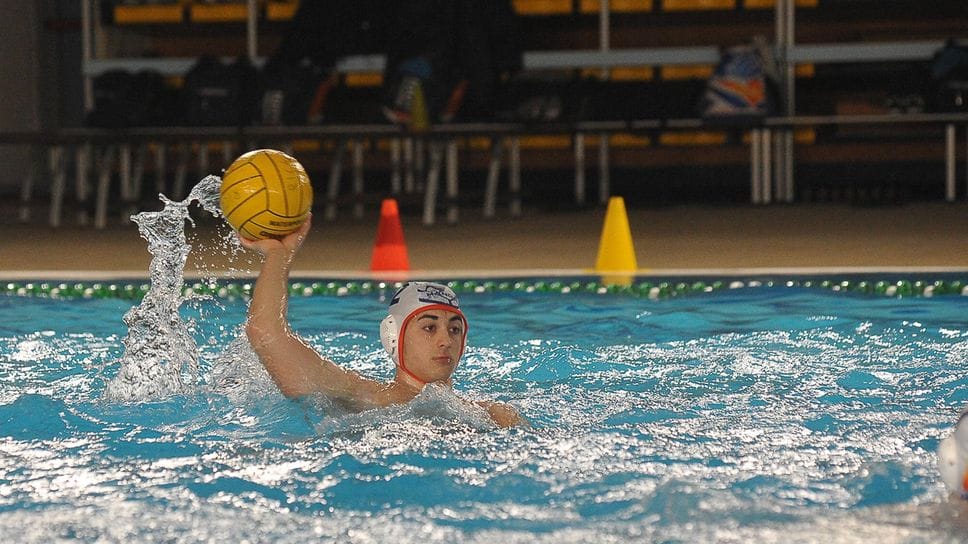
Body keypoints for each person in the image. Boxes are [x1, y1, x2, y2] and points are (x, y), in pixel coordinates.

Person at [239, 215, 525, 428]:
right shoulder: (359, 396)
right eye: (429, 327)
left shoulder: (498, 416)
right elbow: (266, 333)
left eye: (454, 329)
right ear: (394, 337)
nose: (445, 340)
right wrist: (280, 255)